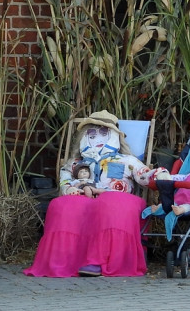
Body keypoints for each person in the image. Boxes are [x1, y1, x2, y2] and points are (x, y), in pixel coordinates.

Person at [24, 110, 151, 278]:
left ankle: (102, 261)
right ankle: (64, 261)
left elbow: (144, 175)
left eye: (104, 134)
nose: (97, 139)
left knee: (109, 204)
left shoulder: (126, 160)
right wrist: (71, 189)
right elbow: (65, 181)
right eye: (92, 135)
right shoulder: (76, 163)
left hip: (115, 196)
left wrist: (159, 176)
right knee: (62, 205)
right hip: (83, 195)